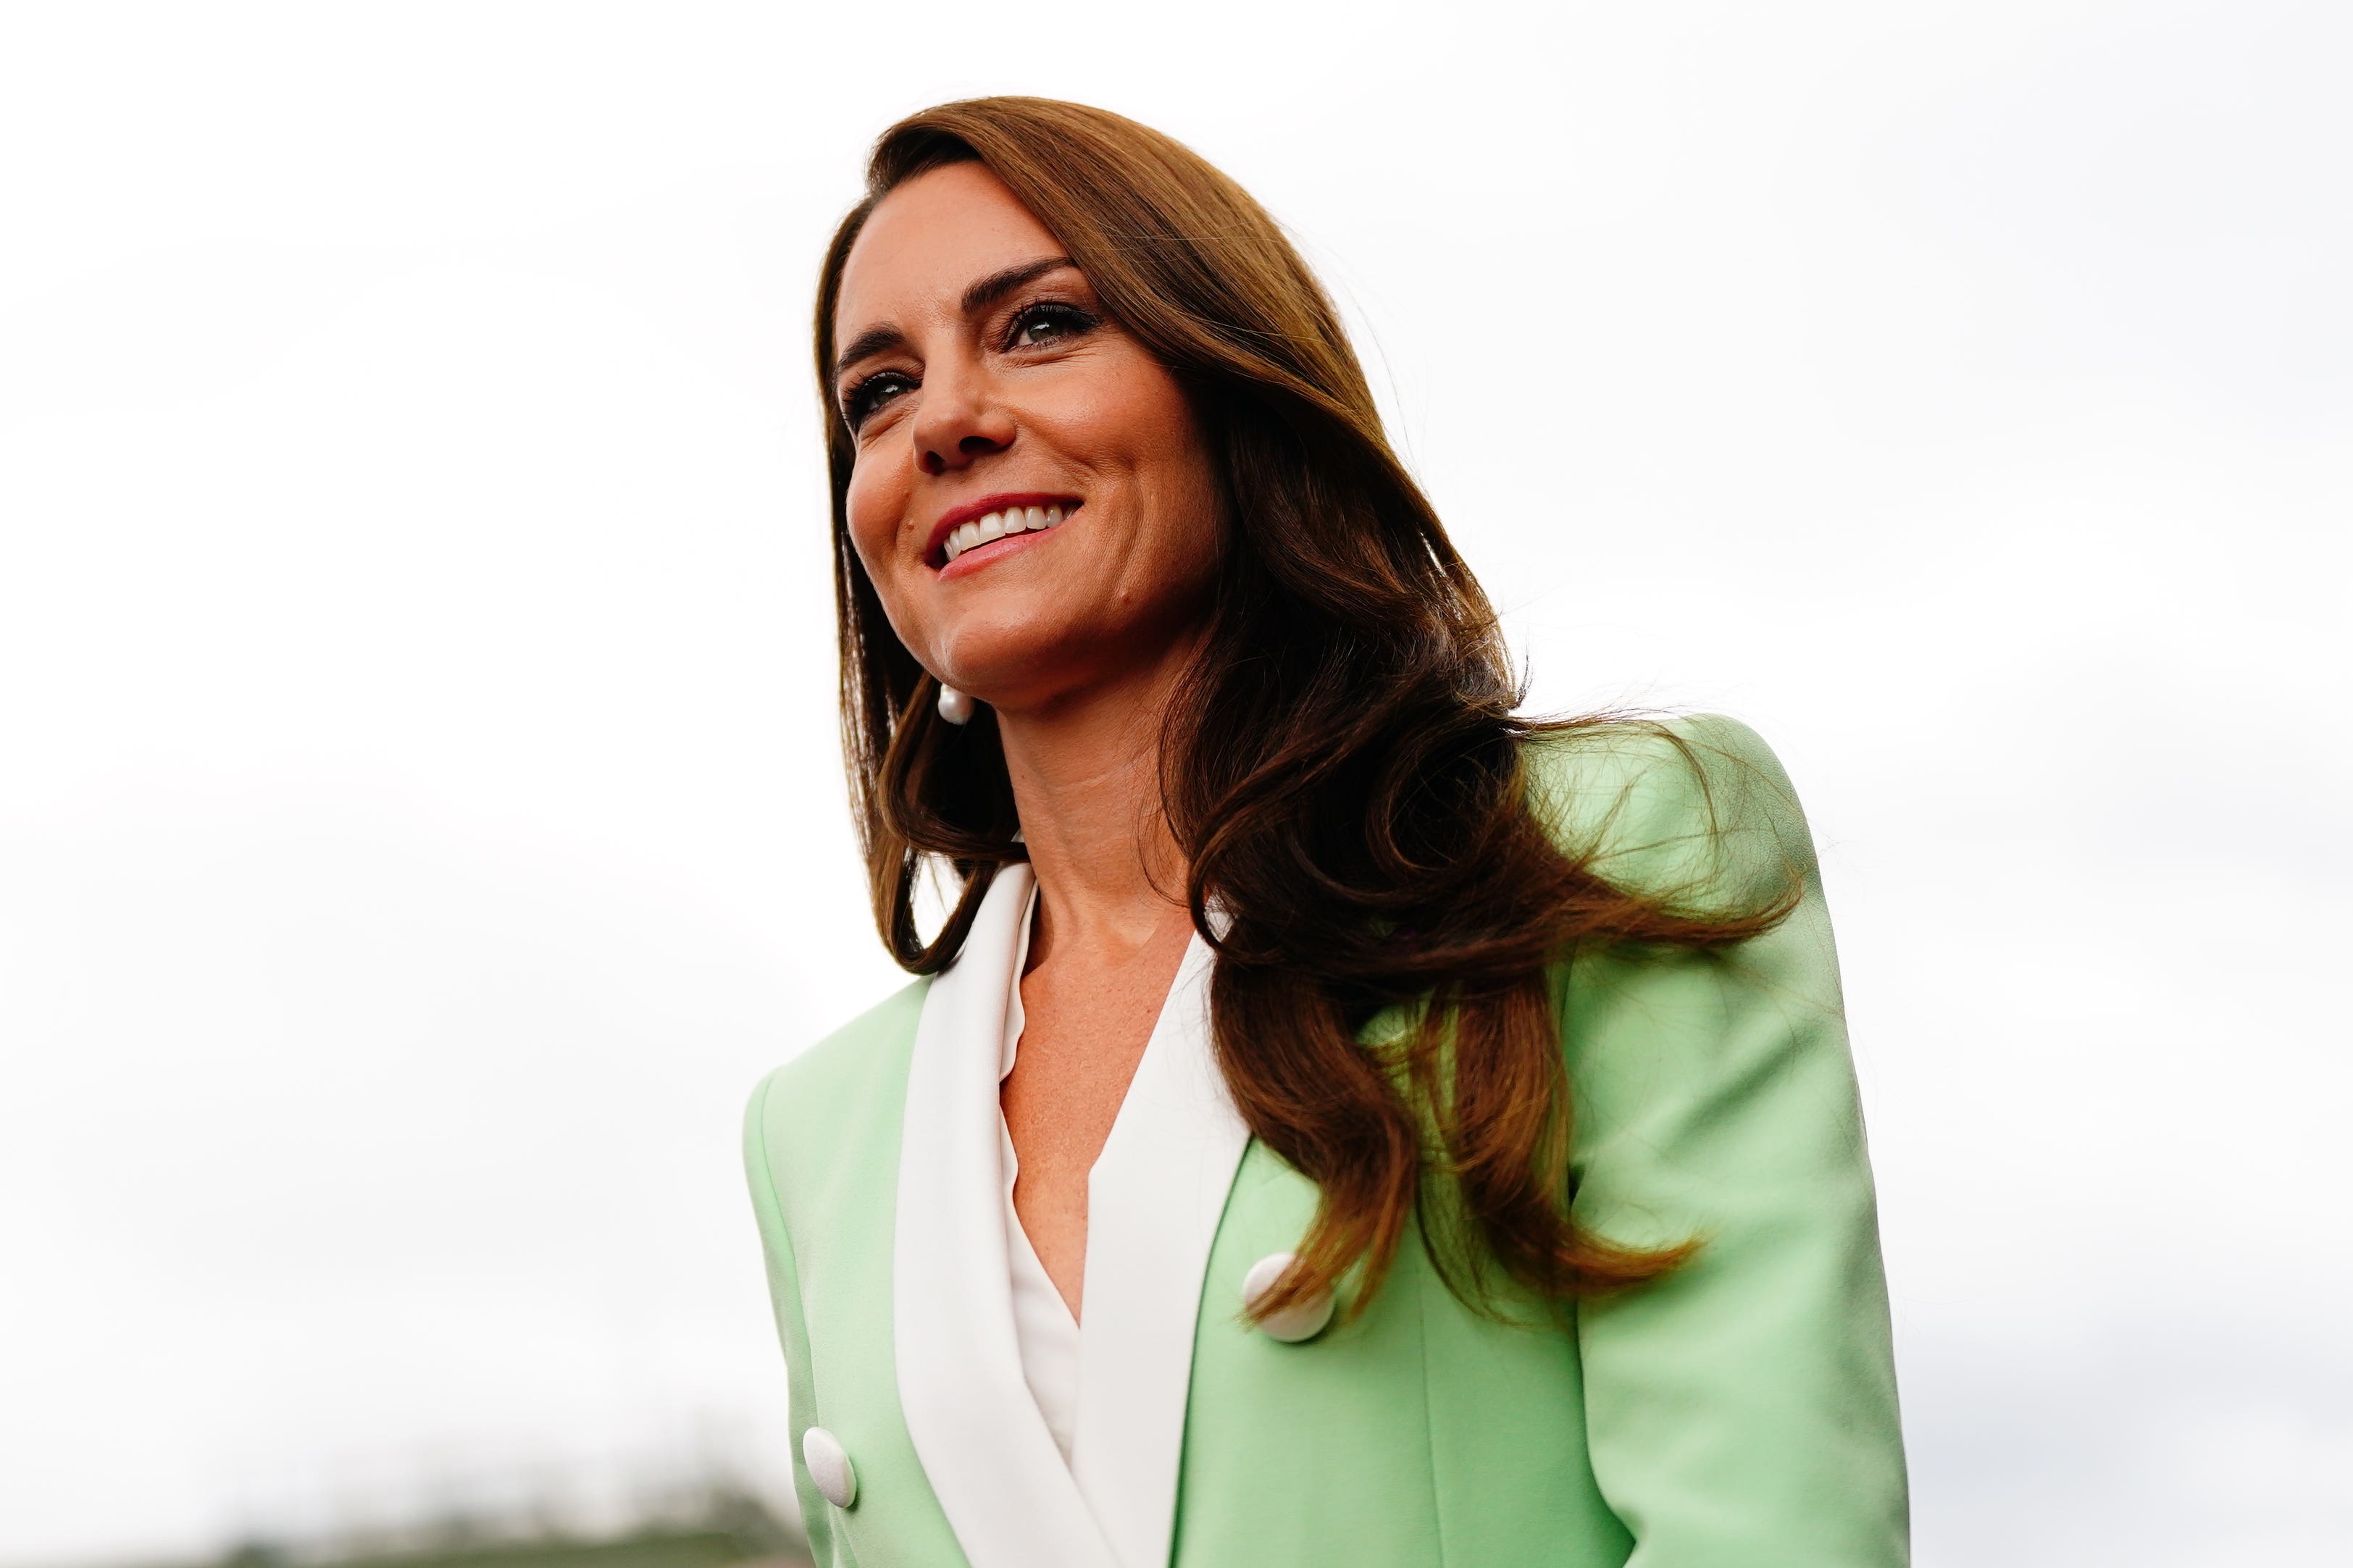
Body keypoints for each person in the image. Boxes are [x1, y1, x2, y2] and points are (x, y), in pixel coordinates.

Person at [743, 96, 1907, 1568]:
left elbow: (1770, 1533)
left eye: (1038, 326)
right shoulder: (814, 1131)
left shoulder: (1602, 853)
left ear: (1232, 385)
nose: (946, 422)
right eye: (877, 394)